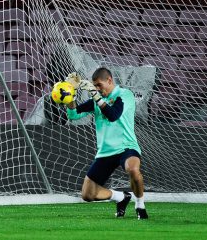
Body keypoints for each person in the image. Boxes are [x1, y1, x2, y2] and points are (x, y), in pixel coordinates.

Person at [63, 67, 148, 220]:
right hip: (105, 151)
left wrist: (95, 95)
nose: (97, 89)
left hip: (126, 147)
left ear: (109, 80)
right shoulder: (97, 99)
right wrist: (70, 95)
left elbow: (113, 115)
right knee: (87, 195)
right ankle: (121, 197)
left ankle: (140, 205)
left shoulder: (125, 95)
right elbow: (73, 115)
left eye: (99, 85)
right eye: (94, 86)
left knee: (133, 170)